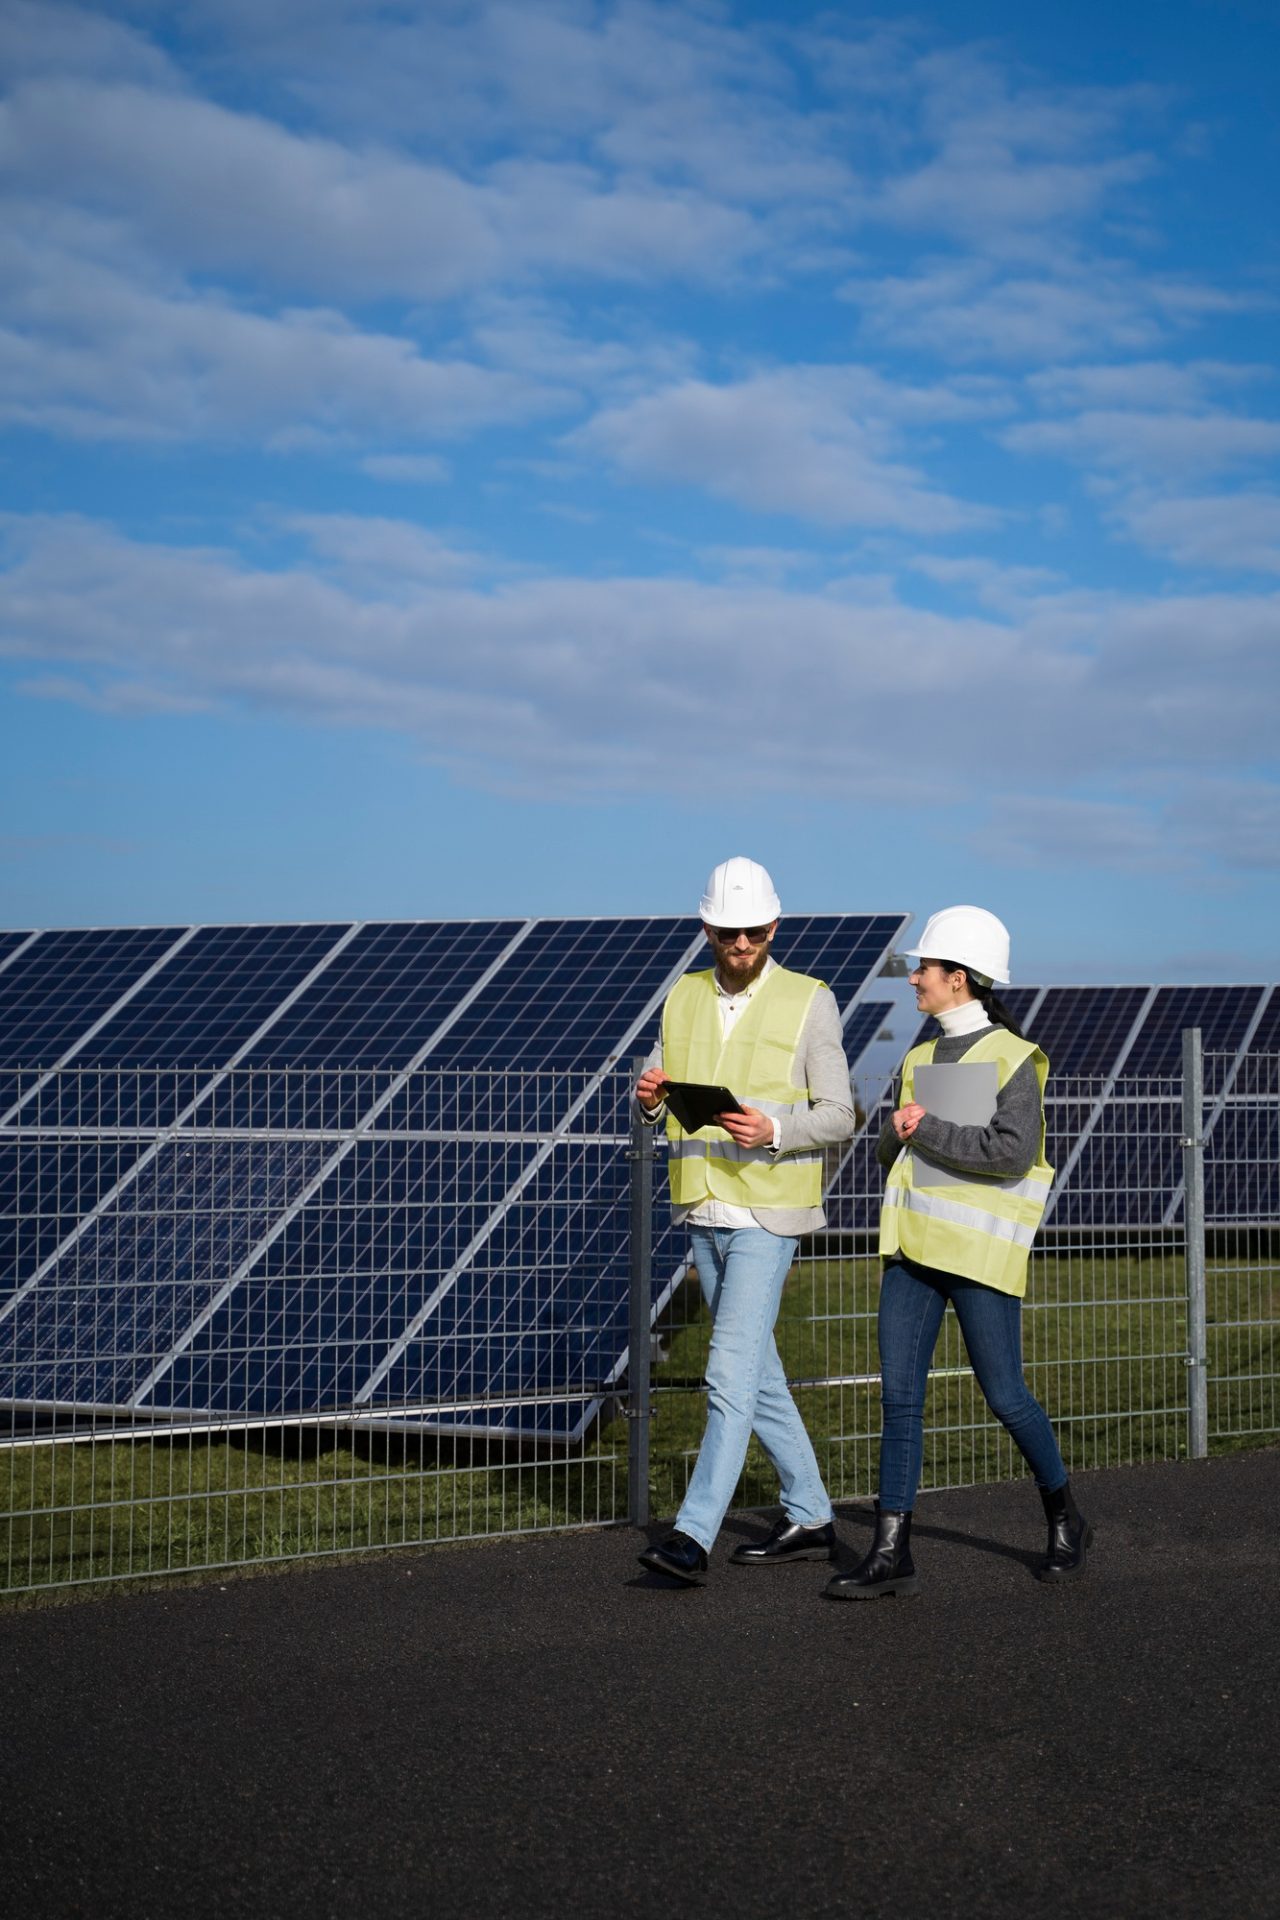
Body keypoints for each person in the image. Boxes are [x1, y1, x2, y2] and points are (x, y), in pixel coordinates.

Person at [825, 905, 1091, 1600]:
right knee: (900, 1401)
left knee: (1006, 1397)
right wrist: (896, 1130)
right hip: (911, 1252)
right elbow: (893, 1153)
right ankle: (891, 1551)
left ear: (960, 978)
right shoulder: (917, 1058)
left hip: (977, 1257)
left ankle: (1065, 1516)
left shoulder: (1012, 1057)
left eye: (925, 968)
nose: (915, 978)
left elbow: (1010, 1154)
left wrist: (925, 1128)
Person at [635, 857, 858, 1585]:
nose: (741, 943)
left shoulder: (810, 999)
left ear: (774, 926)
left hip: (768, 1212)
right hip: (703, 1205)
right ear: (707, 928)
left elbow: (840, 1114)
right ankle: (812, 1514)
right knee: (757, 1374)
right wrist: (648, 1099)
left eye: (755, 931)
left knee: (726, 1372)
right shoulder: (682, 996)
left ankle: (691, 1535)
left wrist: (775, 1129)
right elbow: (658, 1087)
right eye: (729, 932)